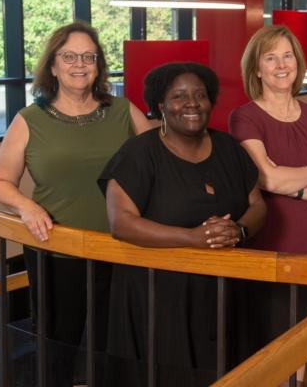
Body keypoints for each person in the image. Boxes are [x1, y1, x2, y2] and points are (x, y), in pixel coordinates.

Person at [0, 21, 152, 386]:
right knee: (57, 346)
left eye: (88, 56)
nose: (80, 64)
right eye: (69, 56)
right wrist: (26, 207)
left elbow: (163, 161)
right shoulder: (29, 120)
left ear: (99, 64)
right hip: (56, 251)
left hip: (122, 250)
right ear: (53, 65)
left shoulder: (124, 111)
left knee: (118, 345)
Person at [98, 62, 266, 386]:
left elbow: (258, 204)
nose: (191, 103)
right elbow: (121, 222)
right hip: (159, 298)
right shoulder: (139, 153)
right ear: (160, 105)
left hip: (225, 291)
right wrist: (192, 237)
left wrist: (239, 230)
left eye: (200, 95)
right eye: (179, 96)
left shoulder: (230, 148)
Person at [228, 25, 307, 359]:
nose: (281, 65)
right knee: (275, 354)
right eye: (270, 57)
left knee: (306, 350)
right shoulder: (245, 117)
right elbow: (268, 180)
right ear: (256, 69)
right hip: (271, 252)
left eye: (287, 55)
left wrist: (297, 185)